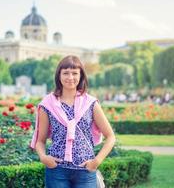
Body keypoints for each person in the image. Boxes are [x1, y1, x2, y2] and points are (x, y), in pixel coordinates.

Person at [30, 55, 115, 188]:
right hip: (57, 170)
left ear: (81, 76)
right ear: (59, 75)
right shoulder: (47, 104)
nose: (70, 77)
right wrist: (44, 157)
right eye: (66, 73)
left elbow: (110, 137)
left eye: (75, 73)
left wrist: (96, 161)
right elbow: (40, 140)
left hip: (85, 171)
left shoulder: (90, 103)